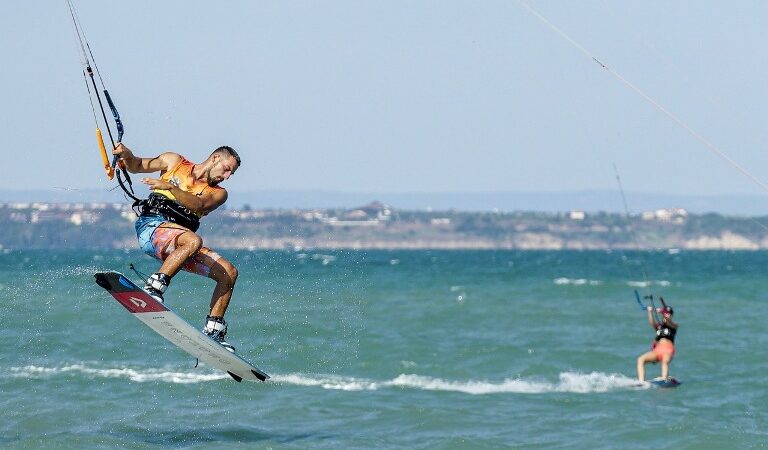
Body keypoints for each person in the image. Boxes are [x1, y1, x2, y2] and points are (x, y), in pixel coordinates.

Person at [112, 142, 241, 353]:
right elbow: (135, 165)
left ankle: (214, 331)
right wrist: (126, 155)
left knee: (228, 273)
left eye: (231, 174)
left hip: (182, 244)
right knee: (193, 241)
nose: (227, 176)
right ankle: (153, 288)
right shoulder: (174, 161)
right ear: (215, 158)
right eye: (227, 169)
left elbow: (198, 205)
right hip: (152, 228)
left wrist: (171, 188)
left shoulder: (219, 193)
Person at [636, 304, 678, 382]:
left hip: (668, 350)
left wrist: (662, 312)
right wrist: (650, 312)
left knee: (665, 361)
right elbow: (651, 322)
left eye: (669, 314)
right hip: (657, 350)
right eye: (667, 313)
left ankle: (664, 379)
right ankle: (641, 382)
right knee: (640, 359)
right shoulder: (659, 327)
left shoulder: (674, 326)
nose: (668, 315)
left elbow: (668, 321)